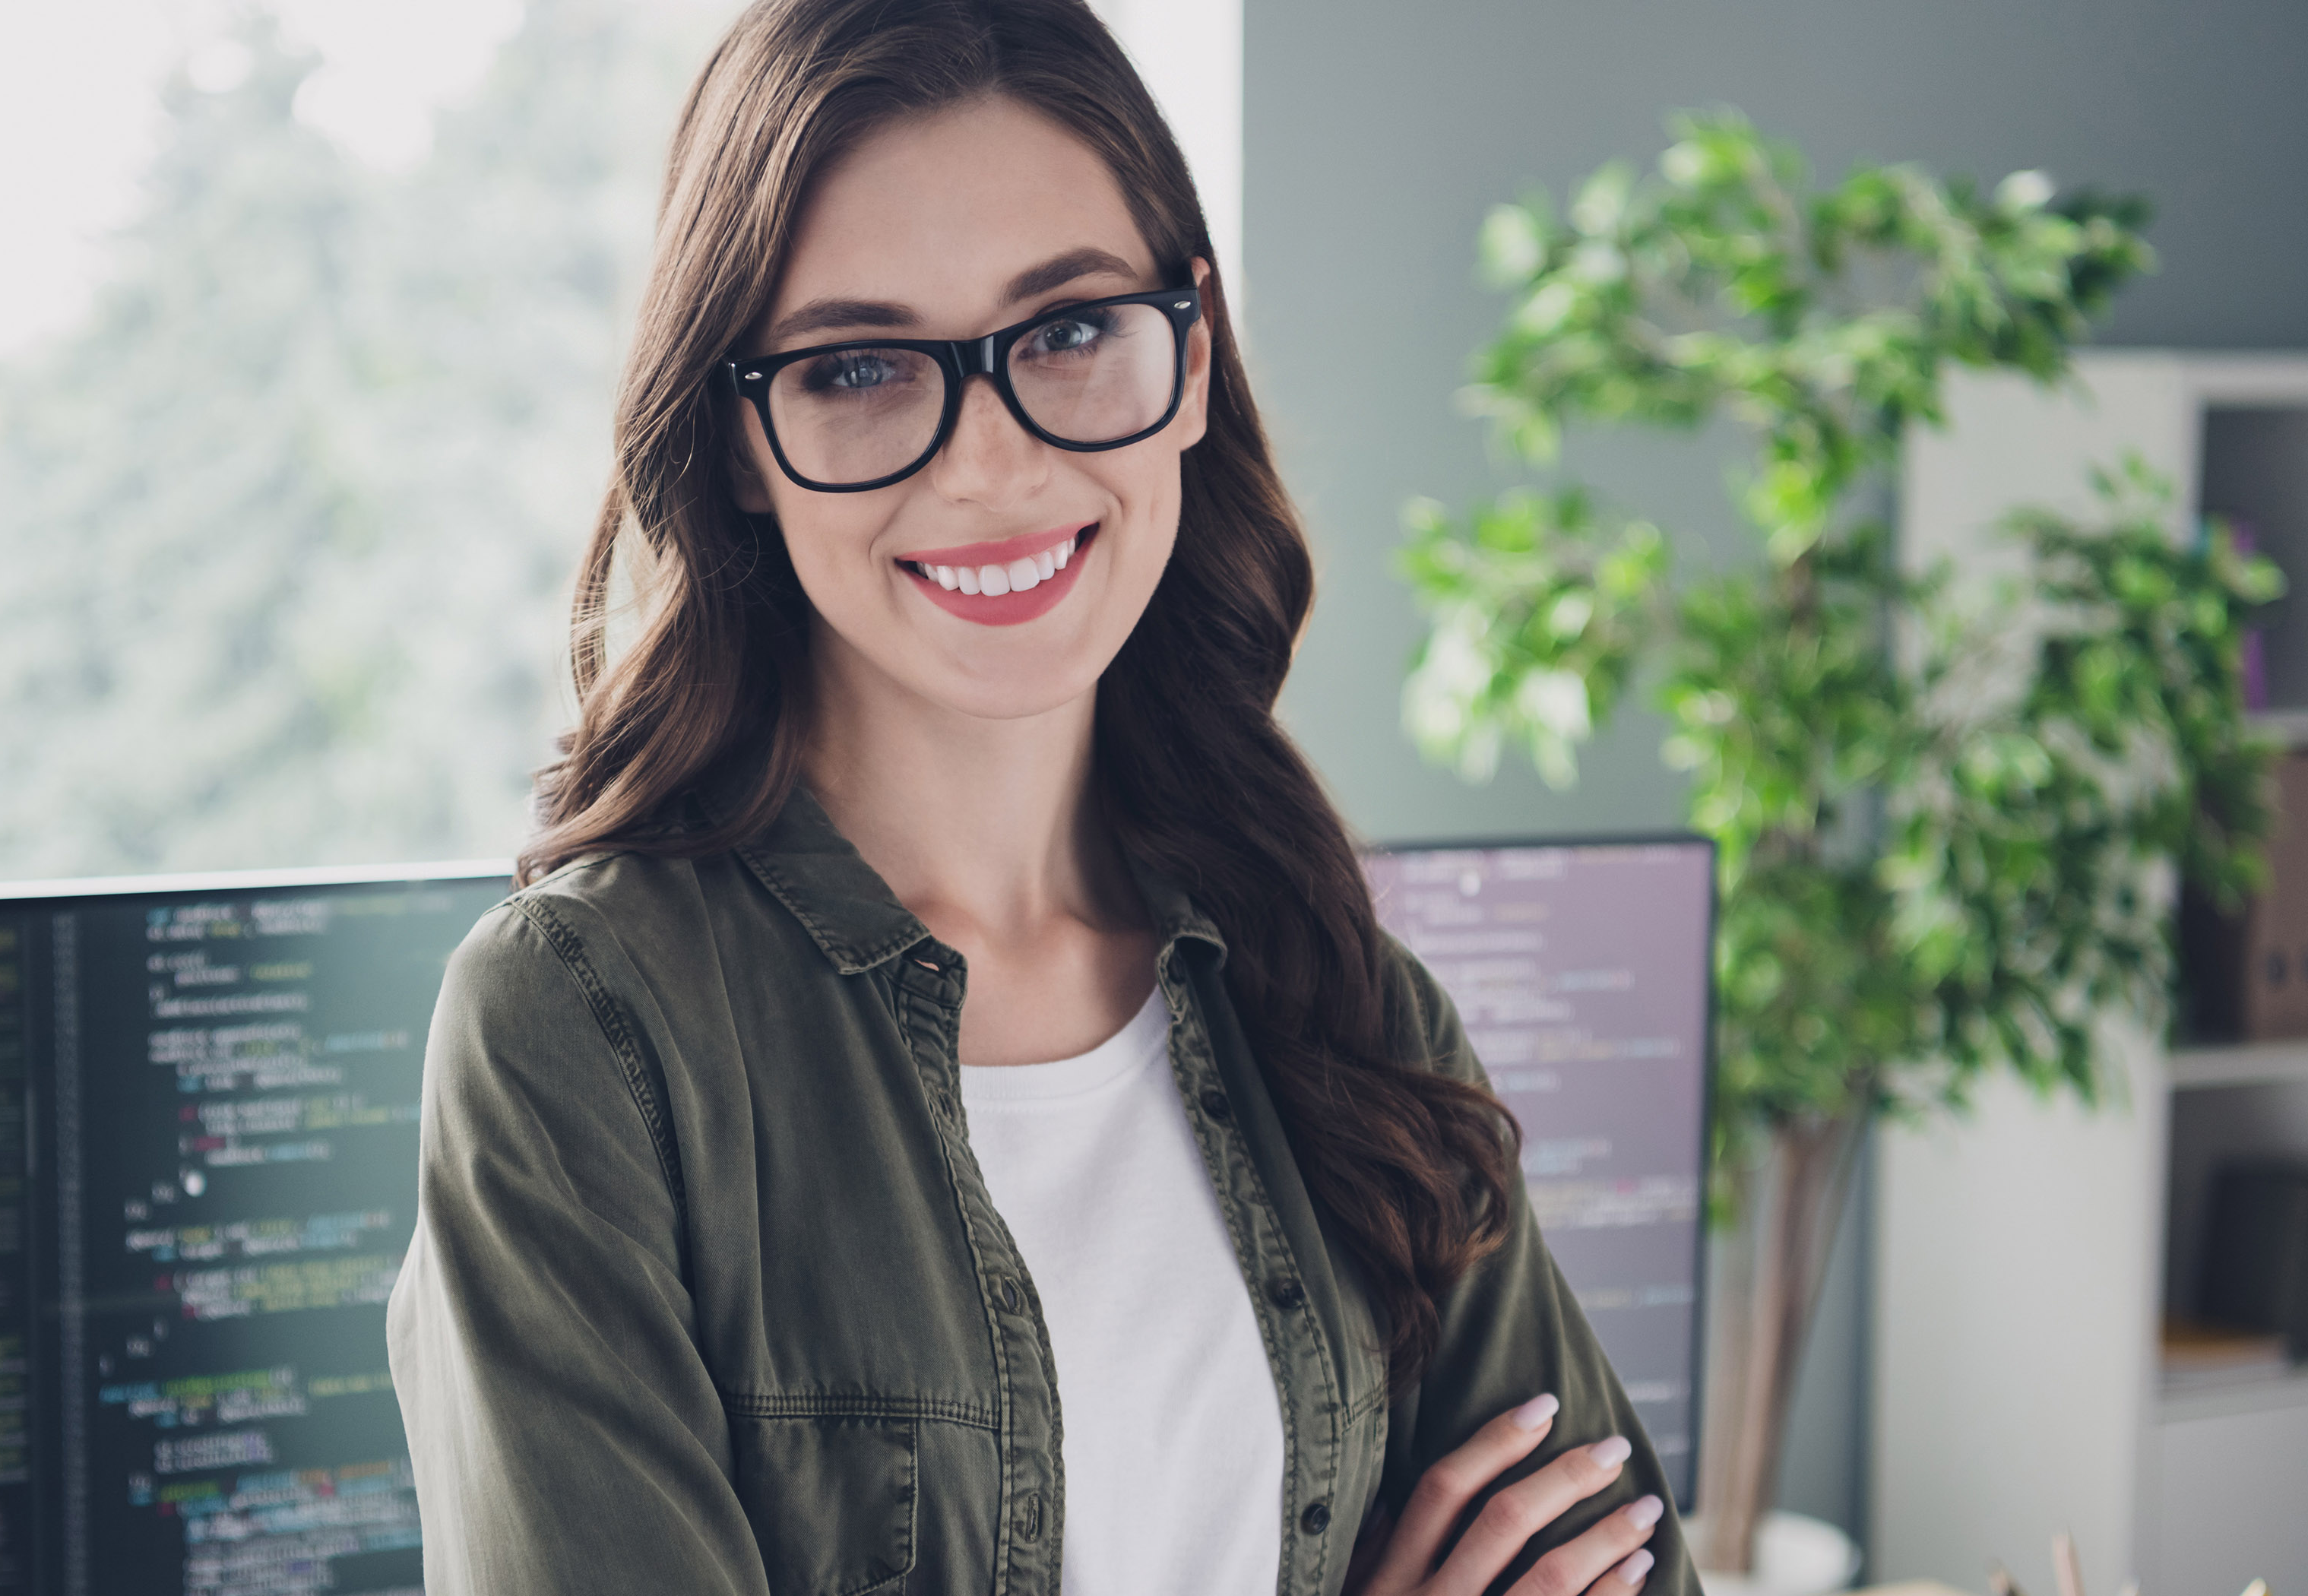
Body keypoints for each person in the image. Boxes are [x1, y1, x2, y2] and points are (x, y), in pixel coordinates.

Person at [386, 1, 1696, 1591]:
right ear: (741, 440)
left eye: (1069, 331)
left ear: (1193, 351)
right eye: (858, 366)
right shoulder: (582, 1034)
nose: (990, 465)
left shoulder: (1336, 997)